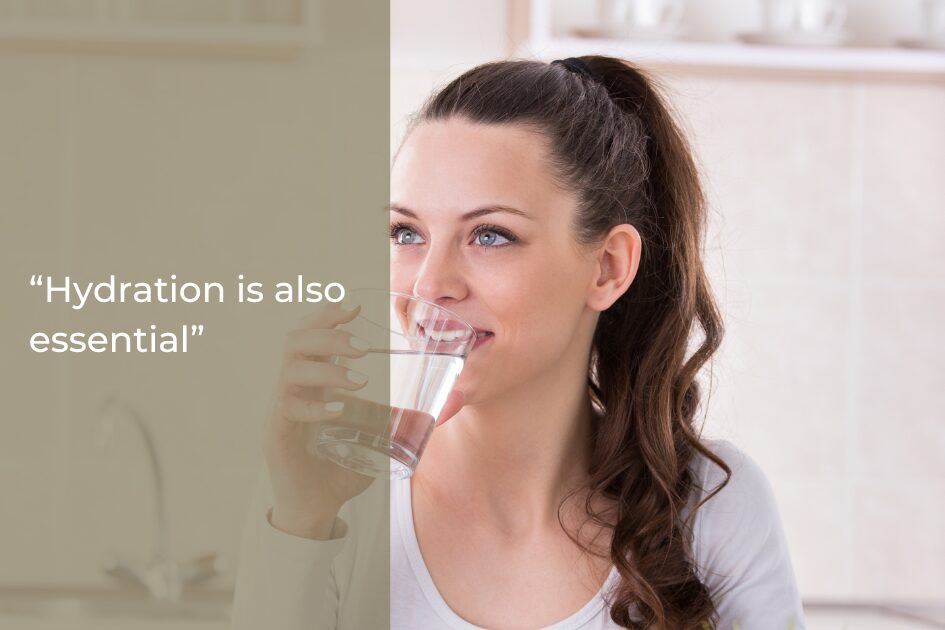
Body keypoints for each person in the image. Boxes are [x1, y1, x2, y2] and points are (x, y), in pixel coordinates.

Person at [231, 55, 806, 630]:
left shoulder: (710, 506)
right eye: (407, 232)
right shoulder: (333, 497)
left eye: (490, 235)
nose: (429, 285)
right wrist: (301, 520)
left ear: (607, 267)